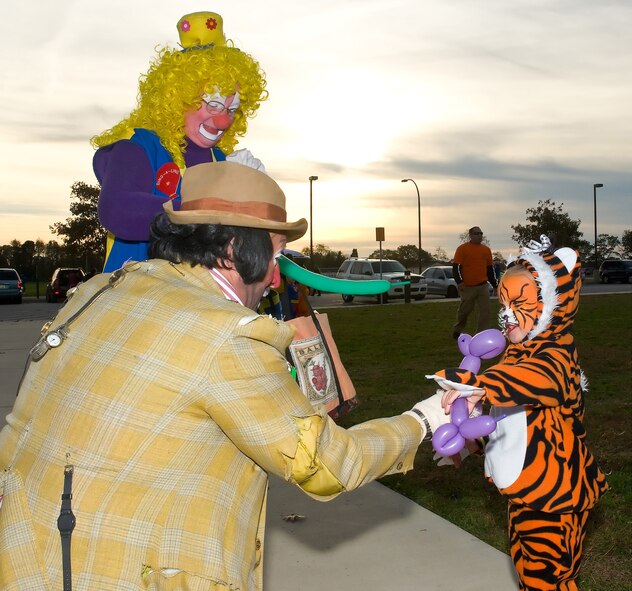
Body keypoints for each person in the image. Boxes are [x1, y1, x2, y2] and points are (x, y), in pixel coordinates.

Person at [0, 161, 453, 591]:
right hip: (119, 569)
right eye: (276, 254)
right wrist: (427, 419)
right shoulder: (228, 336)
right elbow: (327, 465)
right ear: (236, 249)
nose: (277, 277)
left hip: (30, 553)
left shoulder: (103, 288)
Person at [434, 236, 608, 591]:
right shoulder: (517, 353)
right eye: (503, 301)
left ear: (552, 304)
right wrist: (471, 442)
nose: (507, 313)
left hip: (556, 495)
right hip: (527, 490)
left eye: (520, 302)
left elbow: (534, 379)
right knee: (527, 568)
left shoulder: (557, 354)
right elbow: (507, 418)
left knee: (548, 578)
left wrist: (481, 385)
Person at [92, 11, 267, 272]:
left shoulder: (220, 160)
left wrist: (256, 197)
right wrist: (207, 205)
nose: (223, 121)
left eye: (232, 110)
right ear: (178, 97)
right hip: (135, 297)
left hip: (202, 299)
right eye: (214, 103)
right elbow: (117, 210)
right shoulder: (139, 145)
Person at [451, 226, 498, 339]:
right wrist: (460, 282)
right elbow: (456, 267)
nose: (479, 235)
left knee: (485, 312)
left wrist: (495, 285)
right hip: (467, 286)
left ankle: (481, 335)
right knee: (464, 311)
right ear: (470, 235)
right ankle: (457, 330)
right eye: (477, 233)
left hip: (482, 286)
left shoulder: (486, 250)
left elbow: (490, 269)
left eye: (481, 233)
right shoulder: (462, 249)